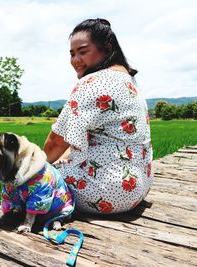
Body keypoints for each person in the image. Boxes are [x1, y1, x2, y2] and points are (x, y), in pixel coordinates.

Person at [43, 18, 153, 214]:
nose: (75, 60)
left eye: (83, 52)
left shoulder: (93, 82)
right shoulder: (129, 81)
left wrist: (38, 169)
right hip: (137, 188)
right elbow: (77, 141)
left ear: (108, 48)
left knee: (28, 178)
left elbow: (56, 143)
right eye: (72, 54)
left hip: (104, 193)